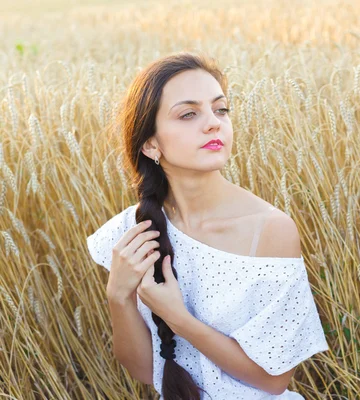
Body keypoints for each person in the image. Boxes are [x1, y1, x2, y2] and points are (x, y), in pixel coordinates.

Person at [86, 52, 329, 400]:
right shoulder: (134, 230)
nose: (214, 123)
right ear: (151, 143)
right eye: (188, 114)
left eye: (221, 109)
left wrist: (178, 317)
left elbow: (273, 380)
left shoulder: (269, 229)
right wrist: (118, 296)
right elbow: (144, 371)